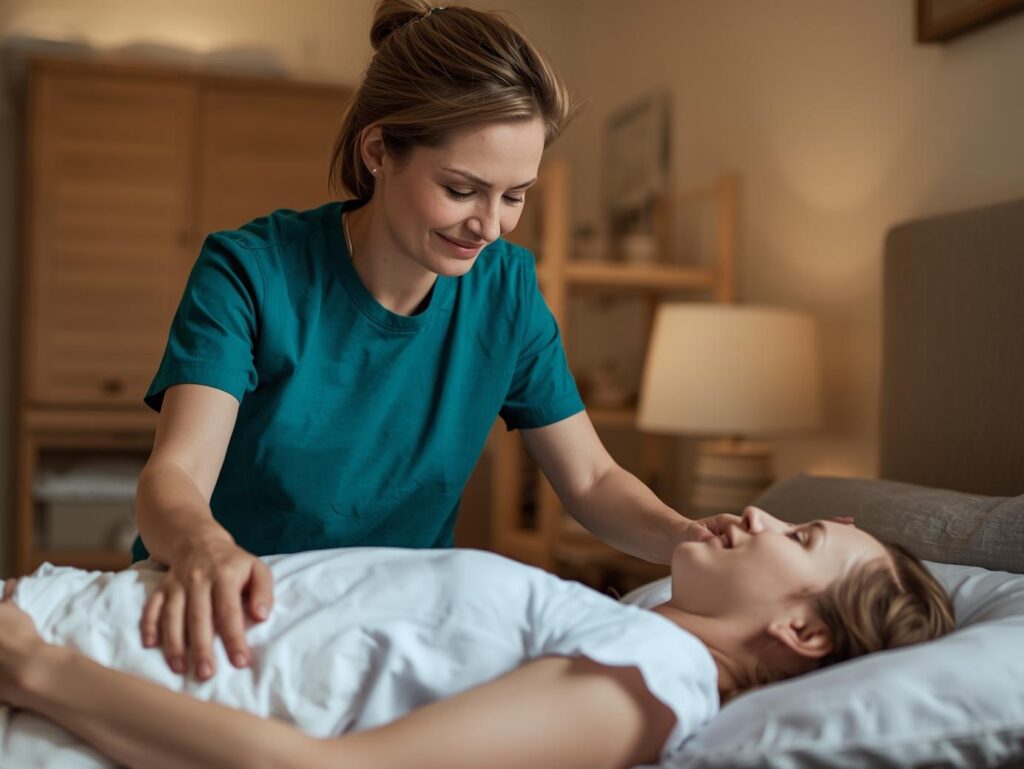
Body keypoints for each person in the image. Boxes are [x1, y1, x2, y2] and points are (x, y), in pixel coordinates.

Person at [131, 0, 745, 683]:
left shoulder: (507, 292)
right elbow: (176, 474)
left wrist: (684, 535)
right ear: (378, 152)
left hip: (384, 628)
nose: (489, 225)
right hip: (225, 603)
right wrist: (204, 549)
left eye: (516, 196)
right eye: (462, 188)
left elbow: (593, 479)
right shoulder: (250, 270)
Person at [0, 508, 955, 769]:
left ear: (801, 628)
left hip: (45, 683)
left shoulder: (661, 677)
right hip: (58, 620)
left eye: (801, 539)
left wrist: (36, 667)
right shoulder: (625, 628)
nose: (759, 510)